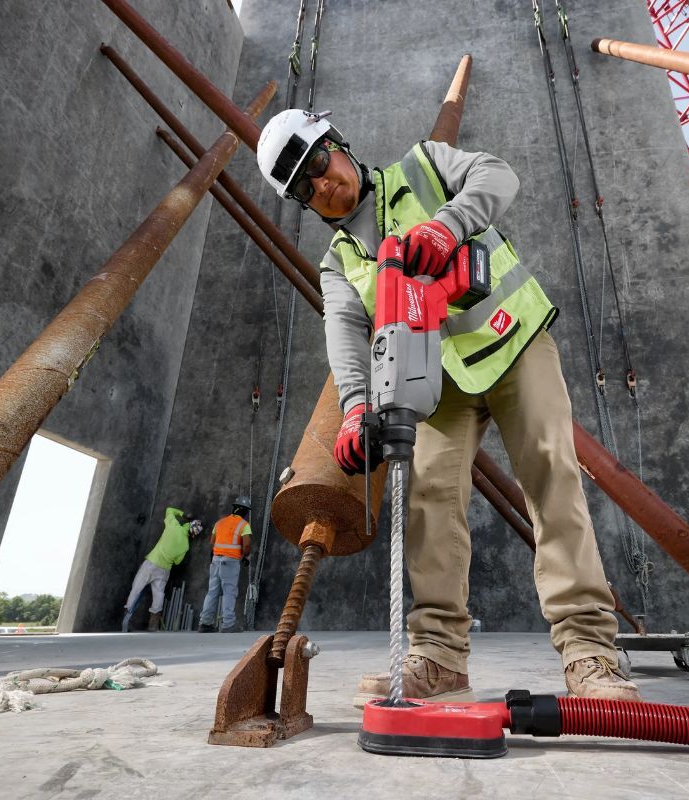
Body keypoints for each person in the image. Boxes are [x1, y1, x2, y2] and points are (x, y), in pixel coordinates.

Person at [256, 109, 640, 706]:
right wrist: (358, 406)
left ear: (338, 144)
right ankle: (439, 659)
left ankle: (589, 652)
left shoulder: (424, 164)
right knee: (429, 500)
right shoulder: (340, 263)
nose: (325, 186)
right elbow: (346, 337)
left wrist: (448, 225)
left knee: (550, 476)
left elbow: (498, 175)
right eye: (308, 190)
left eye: (321, 165)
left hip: (514, 341)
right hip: (435, 383)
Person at [122, 506, 202, 631]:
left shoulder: (173, 526)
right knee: (158, 595)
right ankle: (153, 624)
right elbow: (177, 561)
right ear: (193, 534)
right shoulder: (186, 545)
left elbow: (169, 510)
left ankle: (127, 617)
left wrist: (183, 514)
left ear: (188, 524)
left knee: (136, 588)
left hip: (151, 563)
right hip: (164, 570)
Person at [198, 496, 254, 633]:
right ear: (244, 510)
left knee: (212, 592)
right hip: (231, 562)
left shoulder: (219, 523)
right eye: (247, 511)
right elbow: (246, 546)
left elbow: (213, 542)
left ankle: (205, 623)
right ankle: (228, 624)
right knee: (229, 592)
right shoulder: (244, 525)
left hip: (216, 560)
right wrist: (245, 556)